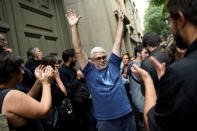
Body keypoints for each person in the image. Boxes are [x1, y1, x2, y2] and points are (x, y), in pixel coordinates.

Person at [66, 9, 136, 131]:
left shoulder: (113, 65)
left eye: (104, 57)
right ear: (91, 60)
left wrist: (120, 21)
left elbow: (118, 42)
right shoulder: (89, 71)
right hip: (106, 122)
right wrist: (73, 27)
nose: (102, 60)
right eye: (98, 58)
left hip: (127, 116)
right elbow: (78, 51)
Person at [131, 0, 197, 130]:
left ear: (181, 19)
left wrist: (147, 79)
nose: (171, 27)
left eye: (170, 20)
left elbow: (153, 125)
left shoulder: (179, 73)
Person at [0, 52, 54, 130]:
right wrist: (46, 83)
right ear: (12, 73)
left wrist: (39, 80)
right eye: (21, 69)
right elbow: (44, 111)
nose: (23, 72)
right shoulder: (11, 95)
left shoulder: (4, 93)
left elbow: (25, 100)